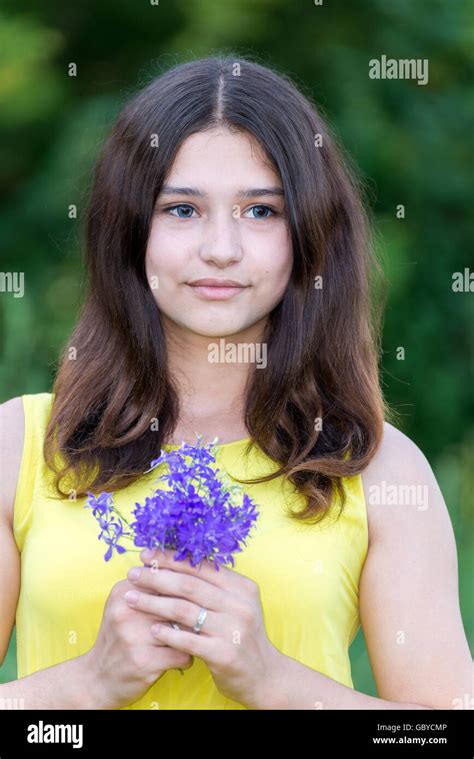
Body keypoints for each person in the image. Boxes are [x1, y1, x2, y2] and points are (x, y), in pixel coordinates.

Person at [0, 56, 471, 710]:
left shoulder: (378, 467)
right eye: (183, 209)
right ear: (128, 226)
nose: (221, 247)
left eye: (260, 211)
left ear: (307, 234)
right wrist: (85, 683)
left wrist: (275, 682)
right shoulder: (19, 445)